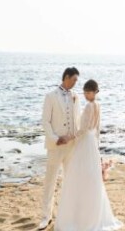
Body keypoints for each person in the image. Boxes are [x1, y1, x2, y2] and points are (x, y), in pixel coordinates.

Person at [54, 79, 123, 231]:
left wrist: (70, 137)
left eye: (88, 92)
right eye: (84, 92)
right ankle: (91, 214)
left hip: (86, 142)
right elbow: (97, 129)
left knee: (79, 176)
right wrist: (97, 147)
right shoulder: (97, 105)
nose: (86, 95)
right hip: (92, 142)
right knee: (91, 177)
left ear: (94, 92)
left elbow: (83, 129)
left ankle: (80, 218)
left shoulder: (89, 106)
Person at [38, 66, 82, 231]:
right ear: (66, 77)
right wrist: (56, 139)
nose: (75, 83)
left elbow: (77, 120)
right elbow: (45, 121)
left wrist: (77, 138)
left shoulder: (76, 96)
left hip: (72, 146)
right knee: (50, 181)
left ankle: (68, 214)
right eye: (74, 80)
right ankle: (46, 217)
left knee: (70, 181)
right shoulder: (51, 96)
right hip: (56, 146)